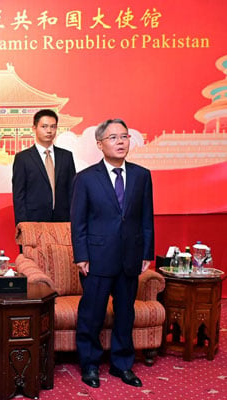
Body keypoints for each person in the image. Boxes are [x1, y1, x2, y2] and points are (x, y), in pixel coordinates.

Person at [71, 118, 154, 389]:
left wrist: (146, 252)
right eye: (114, 138)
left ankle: (122, 364)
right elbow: (78, 221)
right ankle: (90, 364)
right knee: (92, 314)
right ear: (100, 144)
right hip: (96, 258)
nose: (121, 142)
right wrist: (81, 255)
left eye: (125, 137)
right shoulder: (85, 179)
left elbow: (146, 218)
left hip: (130, 257)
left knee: (125, 314)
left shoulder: (142, 175)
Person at [12, 109, 76, 225]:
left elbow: (72, 191)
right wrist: (23, 225)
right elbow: (19, 196)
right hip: (34, 221)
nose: (49, 131)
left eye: (53, 127)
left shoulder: (66, 156)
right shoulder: (23, 158)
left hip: (63, 220)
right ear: (34, 128)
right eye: (44, 126)